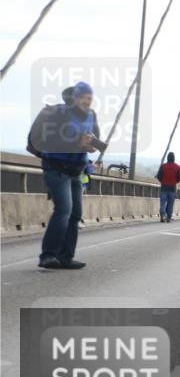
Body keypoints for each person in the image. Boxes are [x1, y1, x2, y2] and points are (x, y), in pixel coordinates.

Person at [29, 81, 99, 269]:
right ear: (74, 99)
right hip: (56, 168)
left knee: (75, 214)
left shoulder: (91, 115)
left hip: (76, 171)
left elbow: (94, 138)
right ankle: (48, 255)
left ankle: (65, 257)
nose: (88, 102)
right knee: (64, 210)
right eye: (84, 98)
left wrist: (92, 145)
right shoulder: (58, 114)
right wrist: (78, 142)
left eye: (90, 98)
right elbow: (49, 140)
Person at [155, 152, 180, 222]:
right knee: (170, 204)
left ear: (167, 157)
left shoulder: (163, 166)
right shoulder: (177, 167)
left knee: (162, 202)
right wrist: (174, 181)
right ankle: (168, 217)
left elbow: (158, 176)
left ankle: (162, 215)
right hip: (172, 188)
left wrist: (163, 181)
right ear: (174, 158)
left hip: (164, 187)